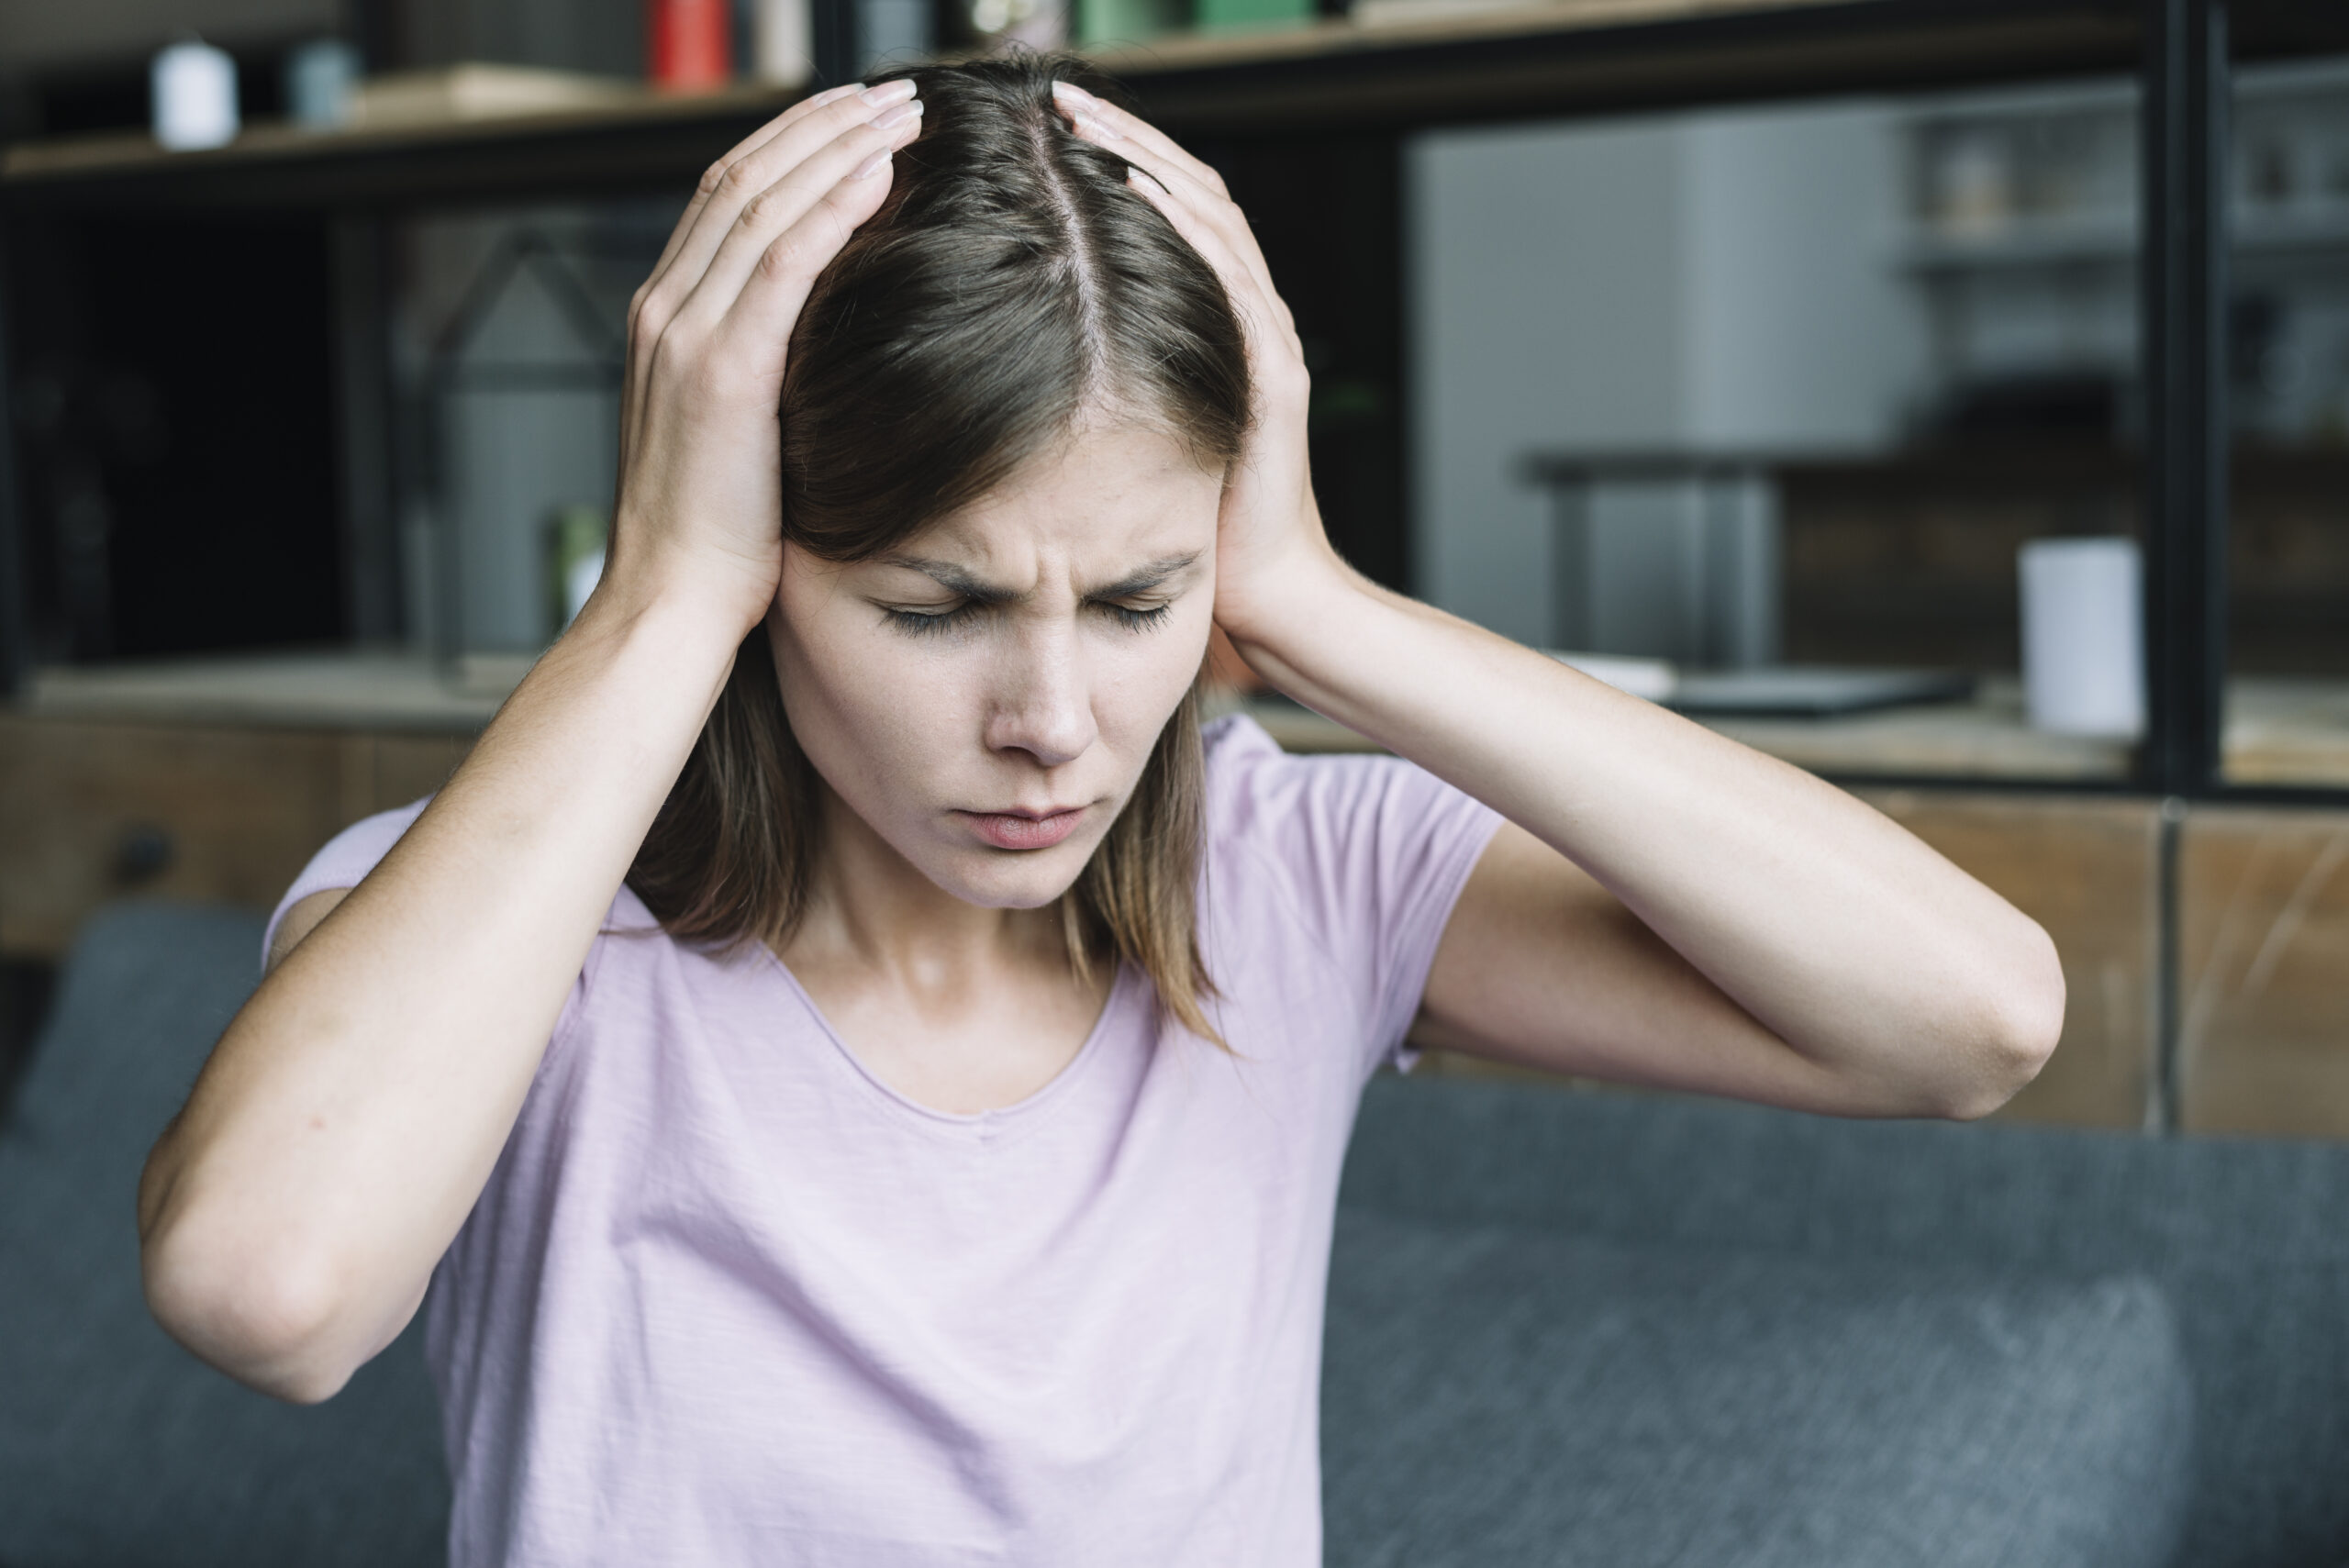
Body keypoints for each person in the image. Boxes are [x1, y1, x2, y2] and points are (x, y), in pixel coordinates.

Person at [134, 55, 2064, 1566]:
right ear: (755, 563)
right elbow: (263, 1293)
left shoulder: (1294, 877)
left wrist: (1315, 606)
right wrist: (653, 601)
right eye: (933, 605)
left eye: (1136, 601)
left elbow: (1970, 1020)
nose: (1054, 725)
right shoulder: (510, 927)